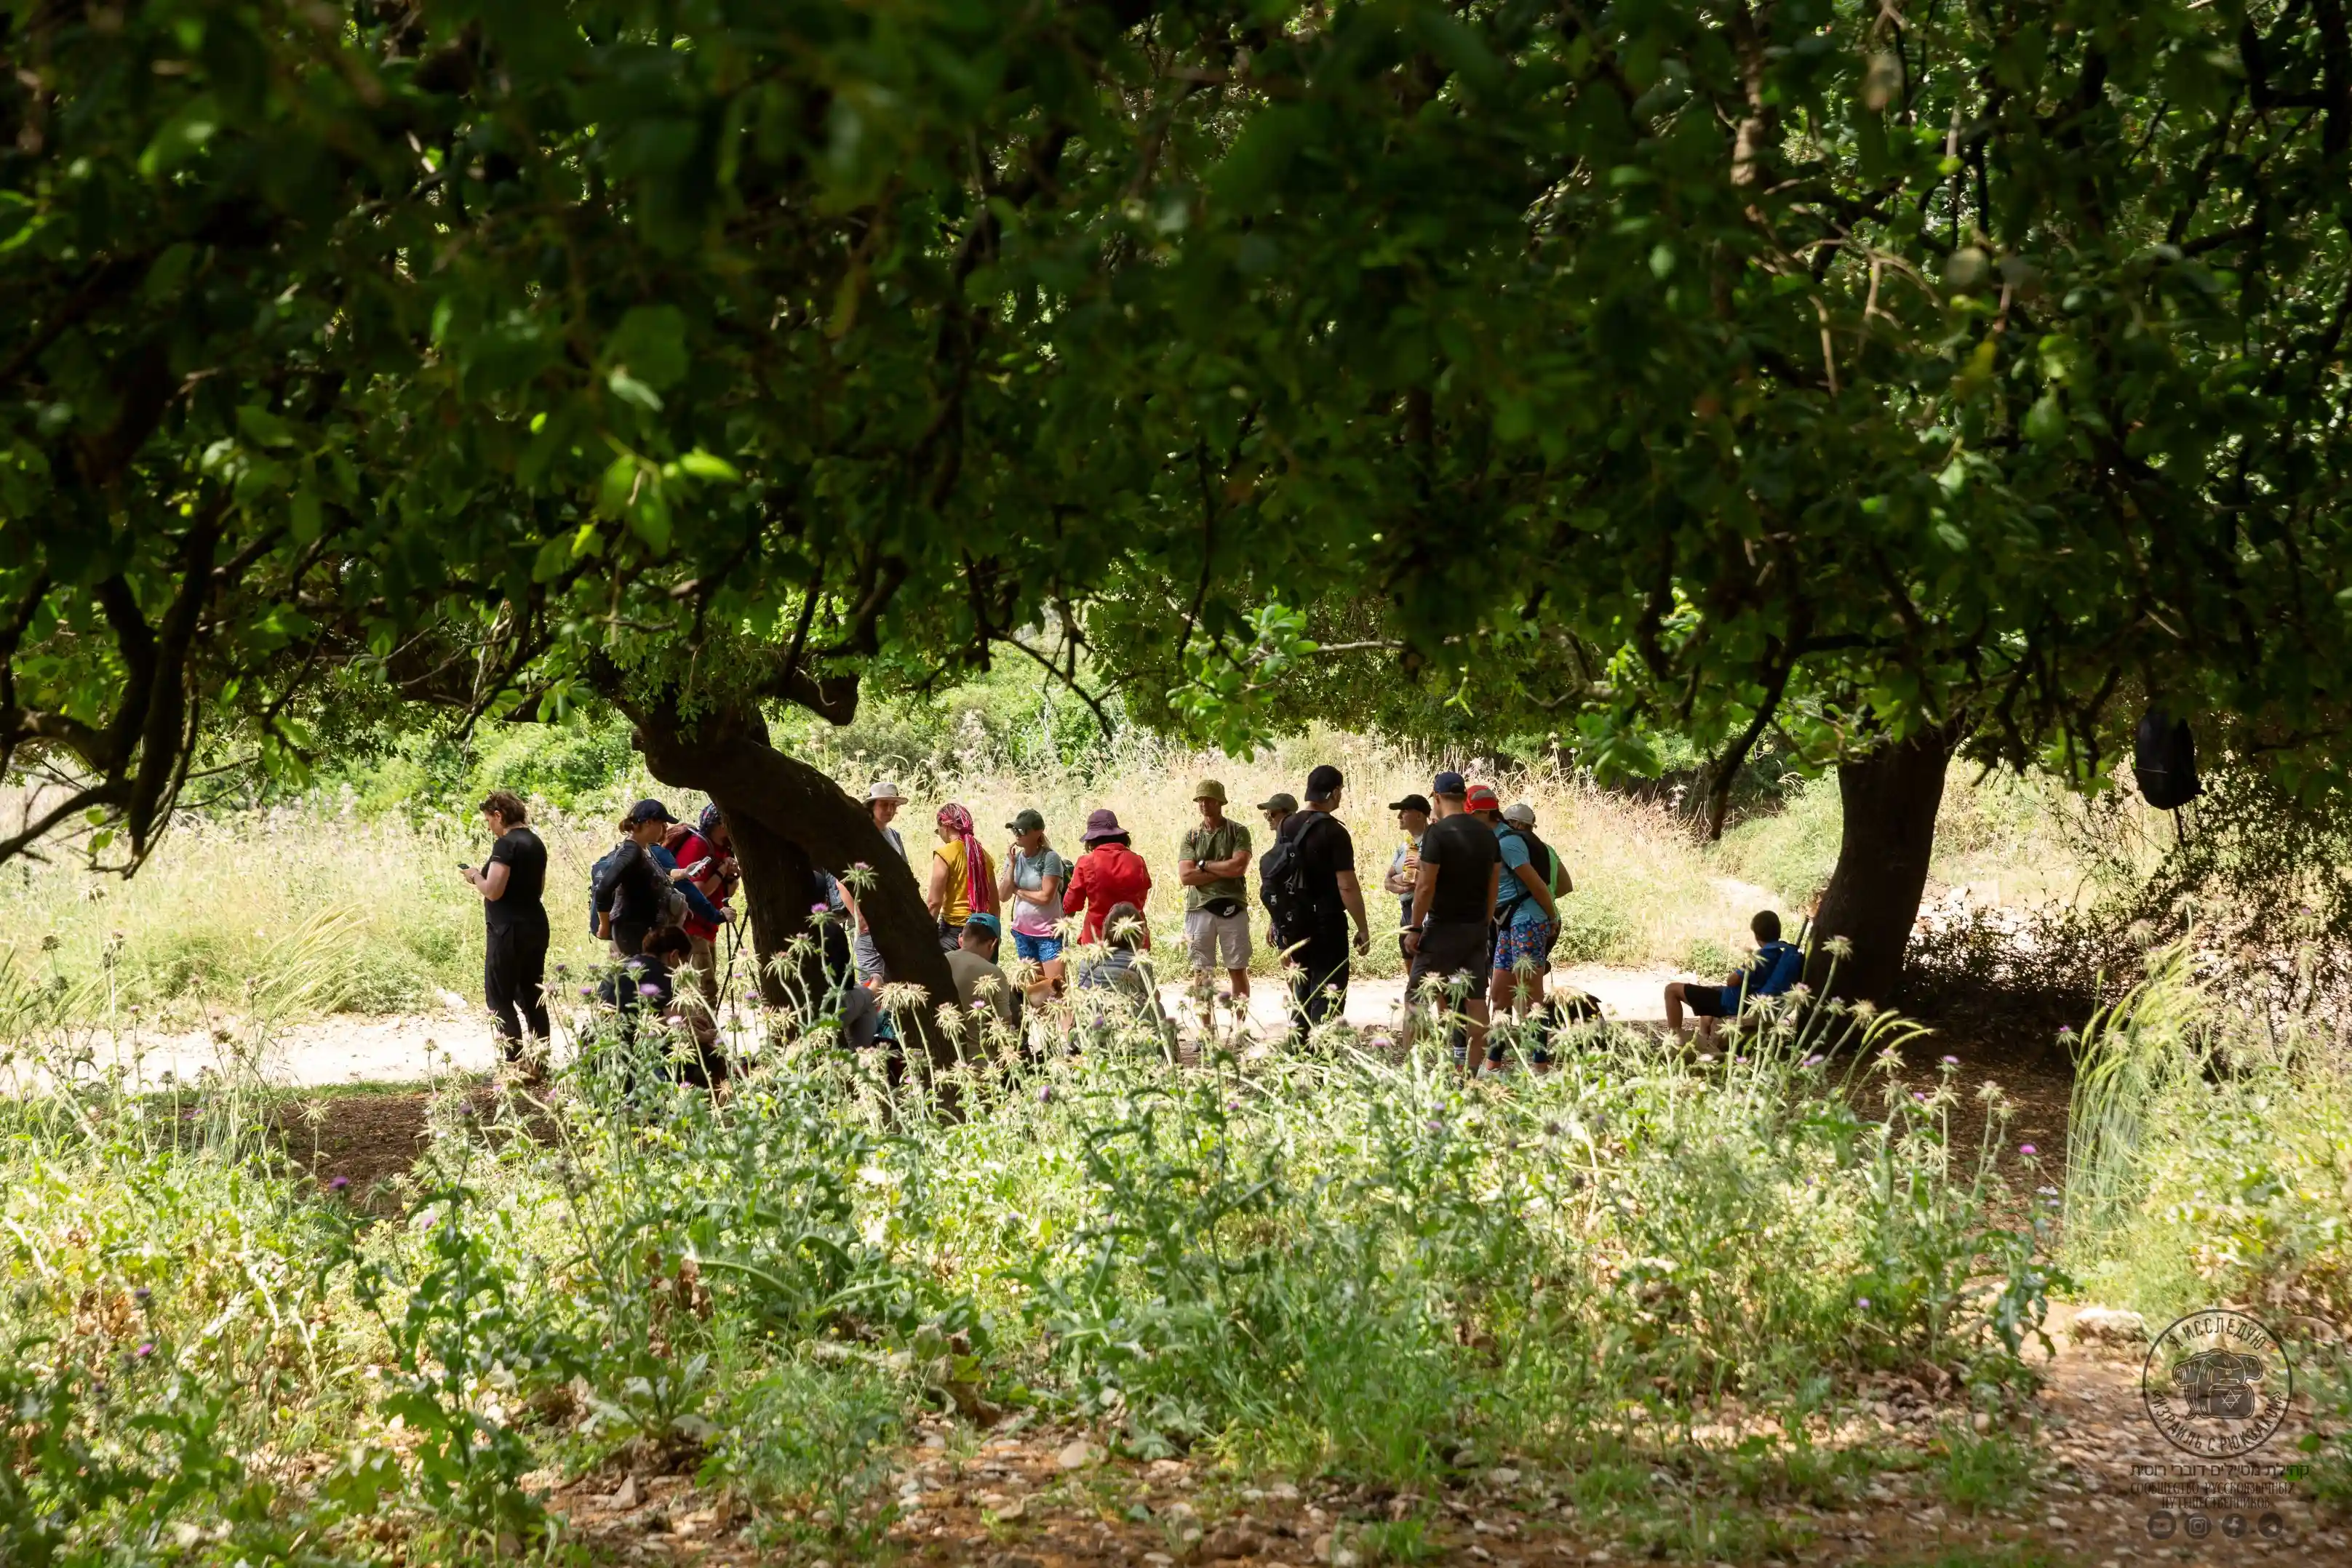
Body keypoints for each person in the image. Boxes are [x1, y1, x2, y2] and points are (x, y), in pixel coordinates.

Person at [1403, 774, 1501, 1070]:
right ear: (1463, 797)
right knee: (1474, 998)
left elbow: (1425, 885)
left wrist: (1415, 927)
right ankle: (1472, 1071)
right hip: (1475, 928)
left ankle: (1413, 1071)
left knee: (1416, 997)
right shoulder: (1487, 834)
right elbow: (1493, 884)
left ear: (1436, 797)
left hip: (1442, 927)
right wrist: (1483, 922)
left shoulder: (1438, 834)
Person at [1271, 765, 1371, 1042]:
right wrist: (1362, 927)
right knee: (1329, 990)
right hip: (1327, 922)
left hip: (1294, 922)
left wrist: (1276, 920)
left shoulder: (1285, 825)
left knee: (1301, 989)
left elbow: (1280, 876)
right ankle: (1323, 1058)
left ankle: (1298, 1053)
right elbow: (1347, 884)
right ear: (1335, 792)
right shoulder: (1334, 832)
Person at [462, 790, 550, 1077]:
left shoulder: (505, 845)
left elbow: (494, 890)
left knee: (498, 994)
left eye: (489, 820)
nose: (489, 826)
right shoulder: (536, 843)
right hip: (535, 923)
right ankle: (539, 1061)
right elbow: (538, 887)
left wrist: (475, 875)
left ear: (498, 816)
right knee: (531, 992)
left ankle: (513, 1063)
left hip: (507, 928)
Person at [595, 925, 727, 1087]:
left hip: (600, 1047)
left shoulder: (629, 963)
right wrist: (707, 1036)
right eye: (684, 962)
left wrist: (691, 1021)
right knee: (707, 1056)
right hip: (626, 1053)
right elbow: (677, 1028)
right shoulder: (663, 974)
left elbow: (658, 1019)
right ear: (674, 955)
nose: (683, 968)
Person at [1665, 911, 1806, 1043]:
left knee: (1672, 990)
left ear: (1757, 936)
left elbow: (1731, 981)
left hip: (1729, 1004)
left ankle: (1675, 1039)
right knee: (1708, 994)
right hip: (1740, 998)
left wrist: (1742, 965)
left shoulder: (1759, 957)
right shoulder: (1781, 954)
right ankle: (1705, 1040)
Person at [1485, 797, 1563, 1036]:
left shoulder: (1508, 845)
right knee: (1500, 993)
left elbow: (1537, 885)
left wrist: (1545, 913)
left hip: (1527, 921)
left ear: (1514, 824)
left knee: (1528, 994)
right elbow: (1564, 886)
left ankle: (1538, 1061)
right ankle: (1494, 1062)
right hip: (1515, 921)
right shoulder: (1545, 848)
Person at [1177, 780, 1253, 1008]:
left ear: (1220, 802)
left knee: (1237, 969)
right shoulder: (1191, 835)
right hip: (1199, 908)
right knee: (1202, 972)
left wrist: (1203, 865)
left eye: (1208, 799)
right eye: (1200, 799)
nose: (1204, 804)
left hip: (1233, 906)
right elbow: (1186, 877)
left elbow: (1239, 867)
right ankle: (1207, 1033)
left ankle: (1240, 1029)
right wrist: (1223, 870)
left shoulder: (1238, 831)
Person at [1077, 902, 1177, 1056]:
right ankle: (1163, 1060)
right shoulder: (1138, 962)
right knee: (1158, 1010)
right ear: (1139, 932)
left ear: (1106, 929)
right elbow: (1154, 996)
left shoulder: (1088, 961)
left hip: (1092, 1023)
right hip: (1128, 1024)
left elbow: (1081, 993)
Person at [593, 799, 681, 963]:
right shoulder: (630, 852)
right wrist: (604, 925)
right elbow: (604, 888)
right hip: (632, 934)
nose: (664, 829)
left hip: (644, 931)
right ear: (649, 823)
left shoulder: (644, 848)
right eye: (661, 823)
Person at [664, 804, 736, 1001]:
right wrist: (721, 872)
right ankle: (702, 1031)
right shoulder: (698, 846)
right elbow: (696, 892)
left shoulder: (721, 848)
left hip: (708, 926)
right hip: (692, 927)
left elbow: (726, 893)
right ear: (720, 824)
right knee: (704, 989)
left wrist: (731, 876)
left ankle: (706, 1029)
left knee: (707, 987)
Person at [997, 808, 1069, 1002]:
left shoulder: (1050, 858)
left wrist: (1018, 891)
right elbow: (1003, 896)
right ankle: (1042, 1028)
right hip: (1024, 934)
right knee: (1036, 992)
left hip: (1050, 934)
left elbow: (1046, 896)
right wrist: (1012, 865)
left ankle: (1064, 1031)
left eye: (1022, 831)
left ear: (1037, 833)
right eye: (1015, 831)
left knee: (1057, 989)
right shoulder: (1014, 858)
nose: (1017, 835)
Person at [1064, 809, 1152, 946]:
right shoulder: (1137, 861)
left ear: (1092, 840)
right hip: (1134, 939)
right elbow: (1141, 899)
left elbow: (1072, 904)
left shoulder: (1086, 863)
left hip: (1098, 942)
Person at [856, 781, 909, 982]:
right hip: (869, 920)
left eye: (893, 805)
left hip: (893, 918)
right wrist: (859, 914)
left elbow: (904, 874)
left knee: (892, 979)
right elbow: (842, 880)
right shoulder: (861, 836)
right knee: (872, 979)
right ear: (872, 805)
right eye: (884, 804)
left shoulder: (894, 835)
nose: (890, 810)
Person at [926, 803, 998, 948]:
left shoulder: (945, 854)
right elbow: (995, 906)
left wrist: (923, 933)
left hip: (953, 931)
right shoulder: (983, 855)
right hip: (982, 929)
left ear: (944, 826)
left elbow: (934, 902)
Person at [943, 912, 1022, 1037]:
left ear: (960, 939)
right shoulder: (994, 973)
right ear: (993, 944)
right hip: (982, 1055)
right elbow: (1005, 1025)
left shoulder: (942, 962)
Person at [1382, 792, 1432, 962]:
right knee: (1411, 969)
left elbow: (1418, 878)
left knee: (1425, 971)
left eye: (1404, 811)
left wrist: (1403, 879)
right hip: (1406, 912)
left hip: (1424, 913)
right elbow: (1388, 881)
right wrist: (1403, 884)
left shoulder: (1432, 843)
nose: (1399, 816)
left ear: (1419, 815)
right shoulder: (1405, 846)